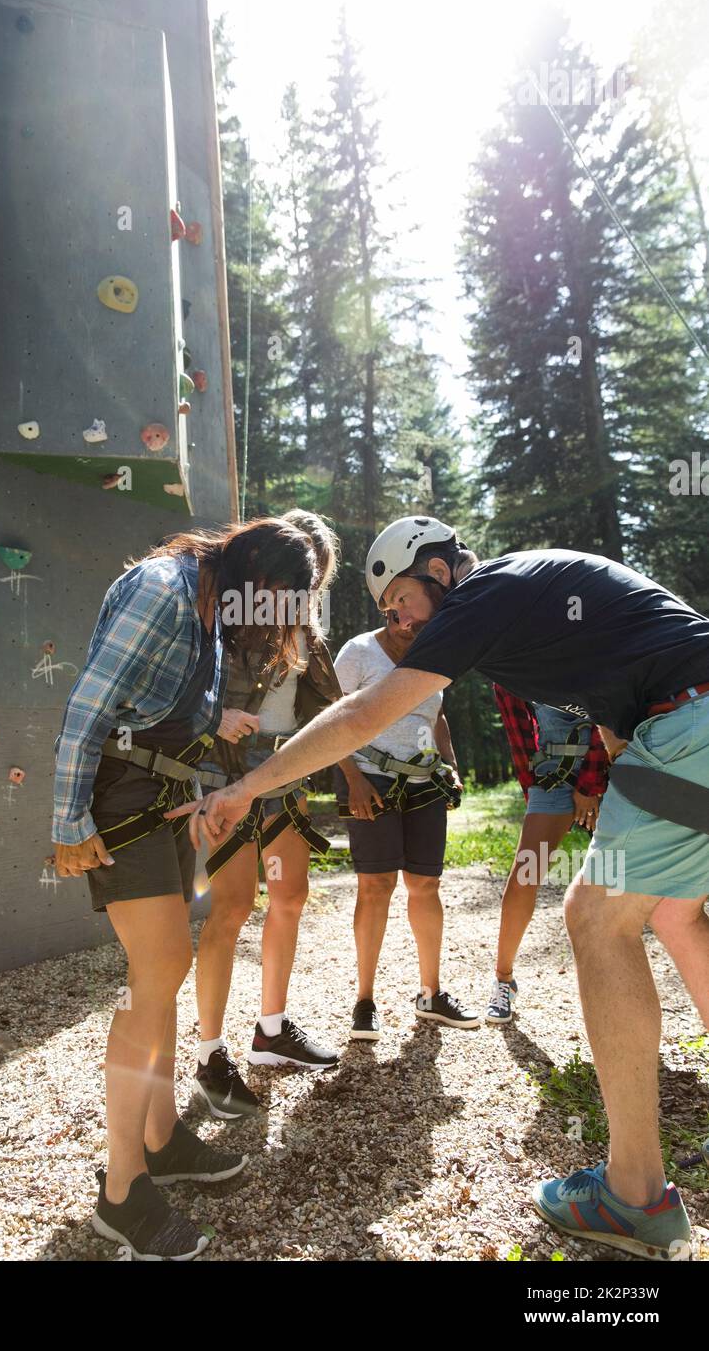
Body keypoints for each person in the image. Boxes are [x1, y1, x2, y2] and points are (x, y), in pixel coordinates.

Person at [169, 515, 709, 1261]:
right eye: (388, 614)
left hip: (689, 722)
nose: (398, 622)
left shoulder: (485, 594)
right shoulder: (527, 606)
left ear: (440, 572)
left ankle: (636, 1193)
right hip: (687, 721)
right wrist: (617, 782)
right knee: (682, 915)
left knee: (595, 919)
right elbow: (618, 719)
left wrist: (249, 788)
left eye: (399, 604)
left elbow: (363, 714)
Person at [52, 517, 317, 1260]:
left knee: (159, 977)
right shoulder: (165, 590)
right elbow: (89, 707)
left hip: (165, 796)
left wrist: (209, 756)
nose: (269, 625)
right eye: (274, 604)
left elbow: (167, 708)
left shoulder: (208, 605)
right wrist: (67, 819)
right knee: (158, 973)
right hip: (116, 798)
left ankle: (162, 1138)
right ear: (254, 578)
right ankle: (122, 1191)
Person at [194, 510, 344, 1120]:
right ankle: (209, 1055)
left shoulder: (305, 632)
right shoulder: (227, 620)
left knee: (289, 896)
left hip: (286, 770)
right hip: (227, 772)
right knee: (229, 907)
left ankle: (271, 1029)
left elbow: (329, 713)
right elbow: (192, 695)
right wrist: (215, 726)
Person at [333, 609, 471, 1038]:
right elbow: (329, 717)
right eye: (397, 614)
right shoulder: (358, 652)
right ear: (386, 610)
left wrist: (450, 765)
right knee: (376, 886)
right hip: (368, 778)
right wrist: (352, 778)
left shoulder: (436, 657)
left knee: (425, 885)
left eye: (418, 621)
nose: (405, 623)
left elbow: (438, 715)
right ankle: (365, 1000)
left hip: (424, 781)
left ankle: (431, 993)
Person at [486, 687, 610, 1023]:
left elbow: (612, 711)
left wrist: (591, 785)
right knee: (525, 875)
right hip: (553, 773)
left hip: (612, 772)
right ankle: (503, 979)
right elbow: (519, 734)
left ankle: (614, 982)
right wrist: (533, 786)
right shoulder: (510, 664)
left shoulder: (594, 639)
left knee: (612, 879)